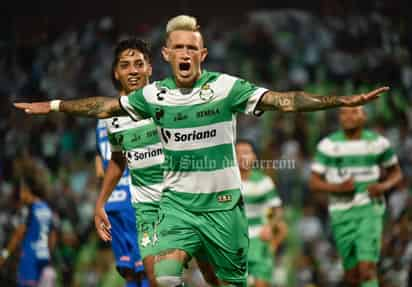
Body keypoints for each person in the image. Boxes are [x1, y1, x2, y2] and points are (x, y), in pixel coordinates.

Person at [14, 15, 389, 286]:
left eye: (192, 47)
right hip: (175, 206)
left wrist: (339, 99)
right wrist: (55, 105)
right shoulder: (153, 95)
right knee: (163, 276)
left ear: (203, 54)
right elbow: (103, 107)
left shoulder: (226, 88)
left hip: (223, 208)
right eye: (178, 46)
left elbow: (286, 101)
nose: (185, 53)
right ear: (166, 54)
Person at [309, 106, 403, 287]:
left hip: (369, 209)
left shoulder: (379, 143)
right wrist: (337, 188)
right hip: (340, 212)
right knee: (351, 275)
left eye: (354, 112)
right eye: (344, 112)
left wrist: (383, 186)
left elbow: (396, 173)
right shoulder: (328, 145)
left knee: (367, 269)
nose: (349, 116)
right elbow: (314, 182)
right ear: (339, 117)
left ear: (364, 116)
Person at [94, 38, 159, 287]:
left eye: (138, 64)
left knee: (136, 272)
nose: (133, 71)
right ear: (117, 72)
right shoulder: (120, 114)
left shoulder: (103, 115)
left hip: (117, 201)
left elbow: (100, 162)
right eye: (126, 65)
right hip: (133, 199)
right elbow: (115, 160)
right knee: (145, 272)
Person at [236, 140, 287, 287]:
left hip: (259, 239)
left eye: (246, 152)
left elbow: (278, 211)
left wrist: (270, 227)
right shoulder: (225, 182)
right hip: (233, 241)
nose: (241, 157)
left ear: (254, 157)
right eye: (237, 153)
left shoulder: (264, 182)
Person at [0, 170, 57, 287]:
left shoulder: (28, 209)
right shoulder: (46, 208)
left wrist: (4, 255)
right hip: (44, 261)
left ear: (27, 190)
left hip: (29, 261)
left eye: (21, 190)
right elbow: (53, 237)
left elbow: (18, 235)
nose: (20, 194)